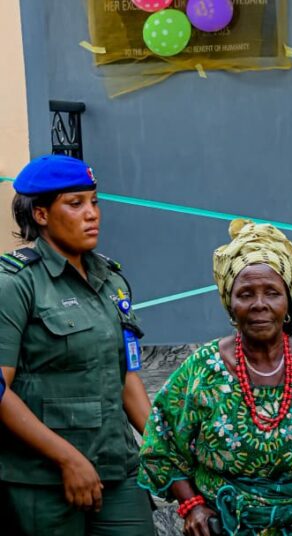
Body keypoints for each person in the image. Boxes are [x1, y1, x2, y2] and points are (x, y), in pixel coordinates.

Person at [138, 219, 292, 535]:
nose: (259, 304)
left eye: (272, 292)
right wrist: (192, 505)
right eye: (246, 294)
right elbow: (161, 442)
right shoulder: (202, 370)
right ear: (230, 304)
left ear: (287, 302)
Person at [0, 154, 155, 535]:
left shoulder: (110, 280)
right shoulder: (16, 283)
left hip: (116, 468)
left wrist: (161, 447)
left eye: (94, 202)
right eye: (75, 204)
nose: (92, 214)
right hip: (43, 479)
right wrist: (68, 459)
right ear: (40, 215)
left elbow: (127, 375)